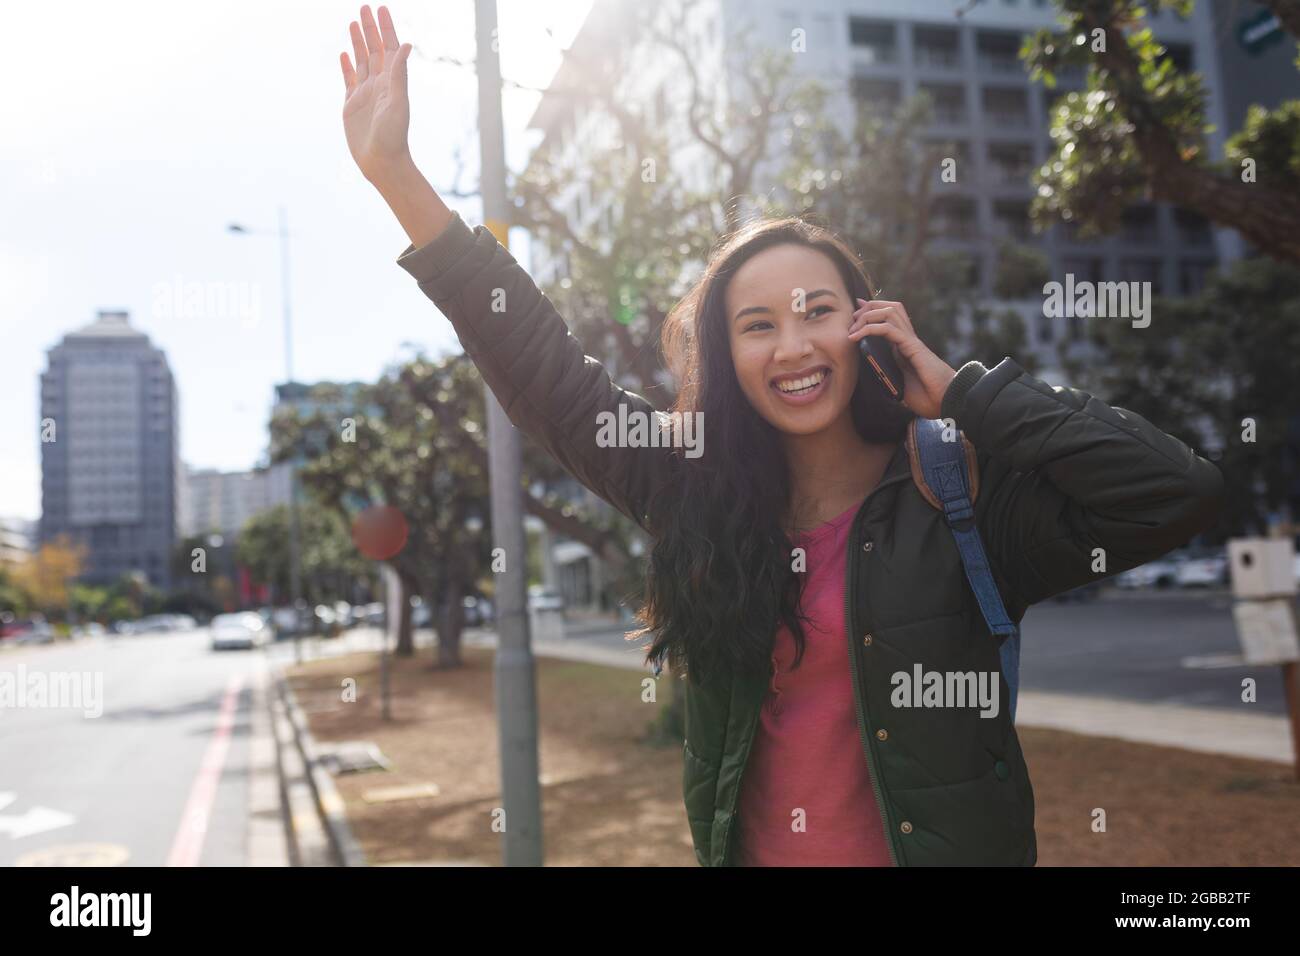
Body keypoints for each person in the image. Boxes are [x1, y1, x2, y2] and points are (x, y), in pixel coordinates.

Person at [339, 5, 1225, 866]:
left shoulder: (957, 491)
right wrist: (398, 179)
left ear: (867, 322)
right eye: (757, 324)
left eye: (818, 312)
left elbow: (1173, 490)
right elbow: (547, 377)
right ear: (726, 355)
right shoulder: (689, 484)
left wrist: (961, 392)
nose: (793, 345)